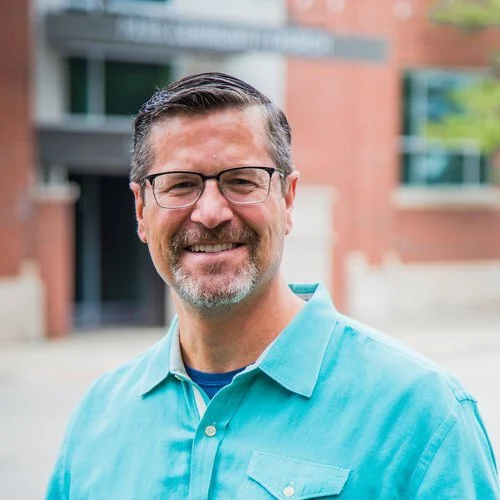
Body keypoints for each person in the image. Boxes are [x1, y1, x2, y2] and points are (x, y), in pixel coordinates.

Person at [46, 72, 500, 499]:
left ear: (287, 199)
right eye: (180, 185)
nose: (210, 213)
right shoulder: (97, 417)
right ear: (142, 210)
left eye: (241, 181)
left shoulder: (421, 414)